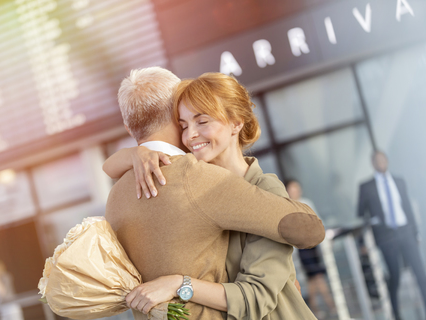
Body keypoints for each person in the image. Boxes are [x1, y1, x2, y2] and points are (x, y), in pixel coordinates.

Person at [104, 67, 325, 320]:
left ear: (236, 122)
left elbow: (255, 297)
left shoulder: (260, 188)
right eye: (183, 125)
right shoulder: (198, 181)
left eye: (202, 121)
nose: (190, 135)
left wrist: (179, 284)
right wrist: (135, 153)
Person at [357, 151, 426, 320]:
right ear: (373, 163)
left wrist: (415, 232)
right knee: (394, 277)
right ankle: (396, 316)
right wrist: (363, 241)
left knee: (421, 275)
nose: (381, 162)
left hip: (406, 232)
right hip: (386, 237)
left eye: (383, 159)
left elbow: (408, 207)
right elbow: (361, 215)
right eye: (377, 160)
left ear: (387, 161)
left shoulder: (399, 181)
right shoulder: (366, 187)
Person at [286, 179, 336, 319]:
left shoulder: (307, 203)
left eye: (296, 188)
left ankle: (314, 308)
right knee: (316, 277)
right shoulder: (287, 207)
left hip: (313, 247)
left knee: (314, 279)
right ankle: (331, 305)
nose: (294, 191)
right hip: (302, 249)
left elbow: (318, 223)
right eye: (291, 189)